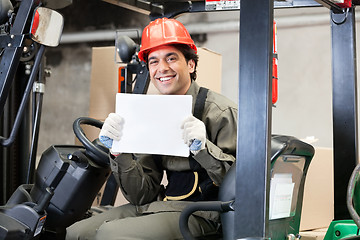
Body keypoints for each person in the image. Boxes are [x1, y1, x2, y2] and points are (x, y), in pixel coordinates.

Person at [66, 17, 237, 240]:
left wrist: (204, 149)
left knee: (111, 234)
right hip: (163, 205)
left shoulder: (221, 112)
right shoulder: (153, 114)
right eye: (153, 61)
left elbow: (241, 187)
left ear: (191, 64)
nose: (162, 68)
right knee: (76, 232)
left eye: (171, 58)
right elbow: (142, 195)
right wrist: (119, 152)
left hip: (207, 214)